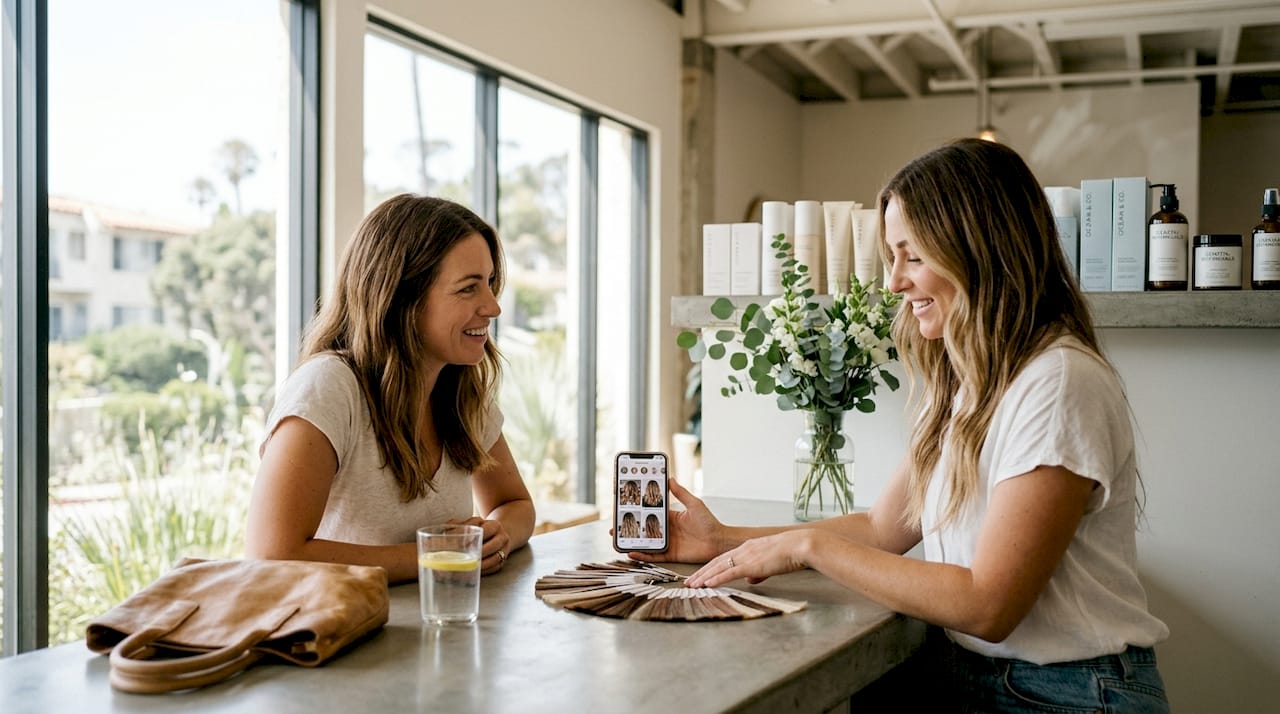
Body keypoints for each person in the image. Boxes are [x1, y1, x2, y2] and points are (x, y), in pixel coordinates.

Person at [632, 139, 1170, 712]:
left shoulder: (1058, 384)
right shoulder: (974, 383)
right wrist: (724, 541)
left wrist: (809, 544)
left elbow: (989, 605)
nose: (893, 283)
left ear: (979, 250)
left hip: (1068, 694)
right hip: (992, 678)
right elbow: (883, 529)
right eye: (893, 256)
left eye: (913, 256)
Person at [246, 194, 535, 584]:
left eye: (490, 283)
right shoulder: (329, 387)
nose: (492, 306)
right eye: (468, 288)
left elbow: (513, 504)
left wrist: (496, 535)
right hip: (344, 639)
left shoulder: (460, 388)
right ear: (403, 298)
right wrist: (436, 555)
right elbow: (272, 555)